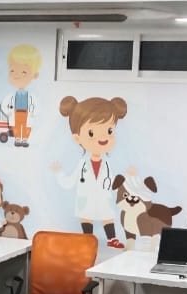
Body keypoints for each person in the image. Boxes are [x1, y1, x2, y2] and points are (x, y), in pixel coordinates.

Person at [51, 95, 136, 249]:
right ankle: (87, 239)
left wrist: (129, 177)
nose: (103, 138)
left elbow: (116, 183)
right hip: (86, 199)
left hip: (103, 199)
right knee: (86, 217)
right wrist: (58, 173)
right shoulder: (82, 164)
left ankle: (112, 239)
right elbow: (70, 182)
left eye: (109, 130)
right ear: (77, 138)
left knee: (107, 216)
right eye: (91, 133)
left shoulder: (108, 164)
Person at [0, 44, 41, 146]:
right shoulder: (11, 96)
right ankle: (18, 139)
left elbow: (37, 106)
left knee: (26, 127)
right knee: (16, 127)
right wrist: (9, 112)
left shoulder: (32, 97)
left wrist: (33, 112)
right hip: (15, 113)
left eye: (24, 72)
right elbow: (4, 105)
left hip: (27, 113)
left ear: (35, 75)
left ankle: (25, 140)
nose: (16, 75)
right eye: (12, 71)